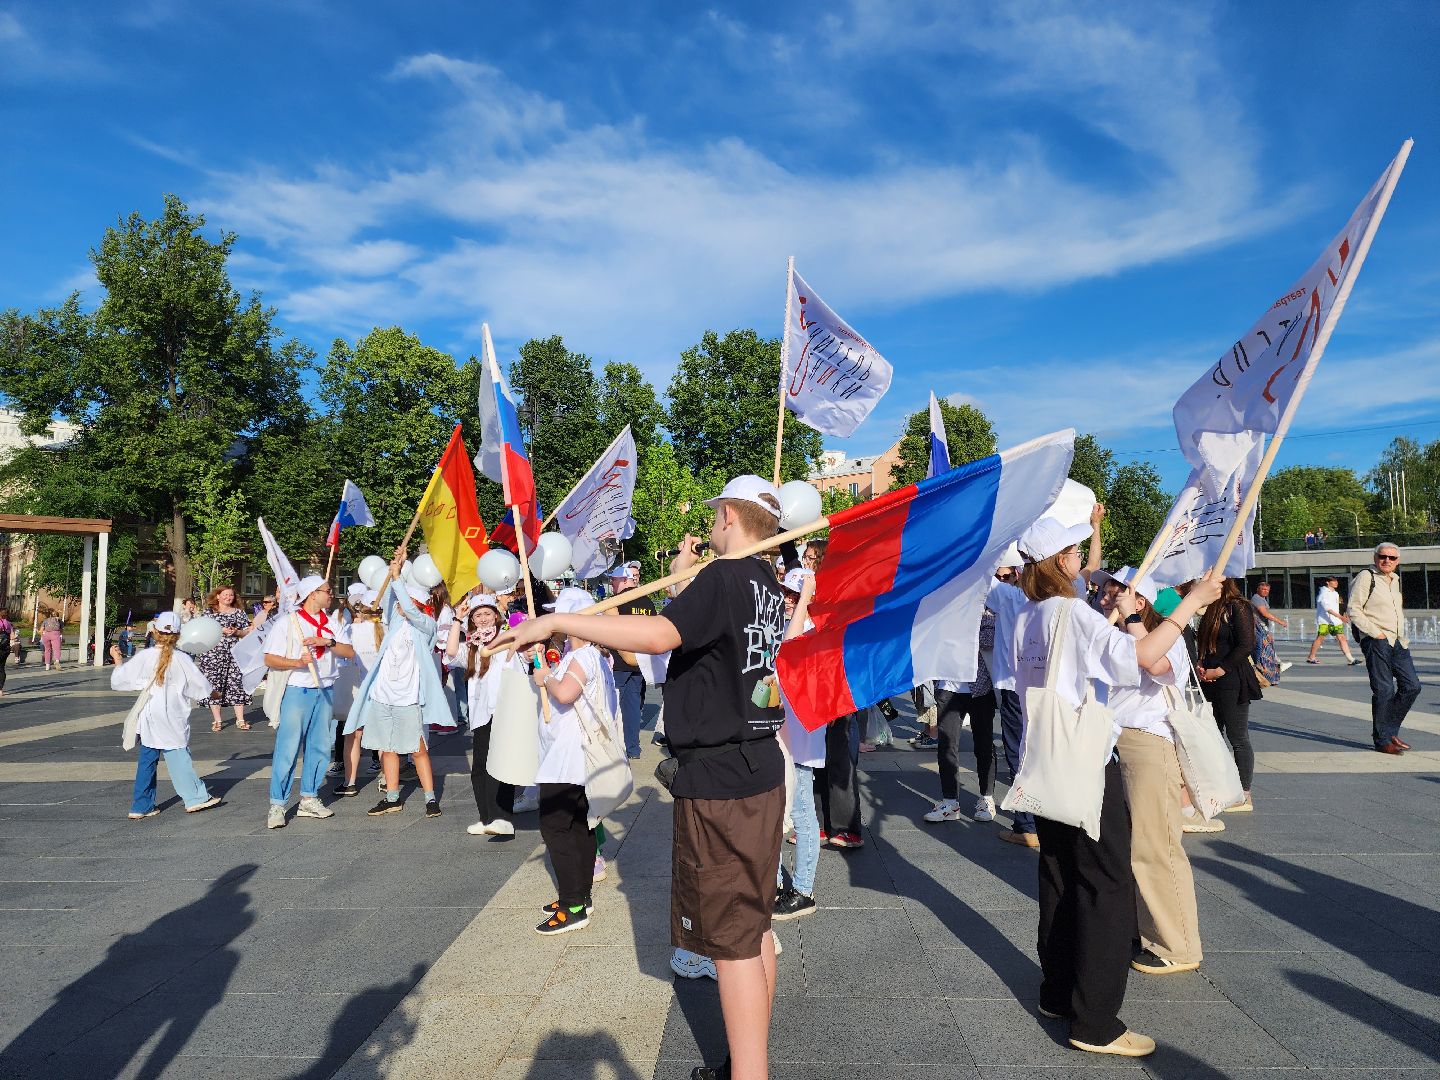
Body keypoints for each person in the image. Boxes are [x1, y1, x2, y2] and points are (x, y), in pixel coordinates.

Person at [494, 474, 789, 1080]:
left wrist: (559, 625)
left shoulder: (726, 577)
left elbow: (661, 633)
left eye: (715, 517)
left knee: (733, 940)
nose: (710, 526)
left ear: (729, 516)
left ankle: (749, 1073)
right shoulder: (766, 583)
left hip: (721, 778)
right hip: (759, 764)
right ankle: (745, 1057)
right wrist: (687, 571)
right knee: (754, 923)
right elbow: (697, 641)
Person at [1006, 516, 1221, 1058]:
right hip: (1085, 763)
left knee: (1058, 874)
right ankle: (1096, 1020)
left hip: (1045, 761)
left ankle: (1057, 992)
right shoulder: (1072, 613)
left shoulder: (1027, 615)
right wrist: (1191, 602)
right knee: (1107, 885)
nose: (1082, 559)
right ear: (1060, 561)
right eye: (1076, 550)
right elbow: (1145, 657)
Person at [1100, 568, 1205, 975]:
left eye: (1116, 591)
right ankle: (1144, 930)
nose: (1107, 596)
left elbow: (1156, 666)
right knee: (1130, 846)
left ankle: (1178, 945)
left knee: (1156, 846)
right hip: (1112, 743)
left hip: (1148, 744)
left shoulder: (1165, 637)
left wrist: (1131, 621)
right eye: (1106, 590)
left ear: (1140, 601)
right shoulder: (1105, 632)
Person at [530, 587, 623, 934]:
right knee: (577, 825)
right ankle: (579, 895)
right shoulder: (589, 655)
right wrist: (542, 664)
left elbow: (565, 693)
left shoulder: (583, 656)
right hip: (570, 755)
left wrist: (545, 678)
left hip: (568, 758)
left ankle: (574, 905)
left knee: (557, 827)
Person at [351, 563, 448, 820]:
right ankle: (392, 797)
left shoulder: (426, 625)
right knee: (388, 748)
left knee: (418, 750)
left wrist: (396, 578)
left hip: (409, 697)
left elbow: (410, 610)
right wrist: (397, 569)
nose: (398, 607)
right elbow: (394, 598)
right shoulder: (394, 623)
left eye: (408, 602)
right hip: (383, 696)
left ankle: (430, 798)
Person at [261, 576, 354, 829]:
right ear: (313, 594)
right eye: (327, 591)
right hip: (298, 691)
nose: (331, 594)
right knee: (288, 748)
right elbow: (269, 658)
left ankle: (309, 798)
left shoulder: (331, 622)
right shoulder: (289, 622)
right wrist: (297, 663)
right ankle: (277, 804)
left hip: (325, 689)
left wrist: (329, 642)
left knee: (321, 746)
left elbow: (349, 652)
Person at [109, 612, 223, 818]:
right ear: (179, 635)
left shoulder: (145, 656)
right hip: (173, 714)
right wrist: (216, 693)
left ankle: (141, 806)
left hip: (150, 714)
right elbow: (201, 686)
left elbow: (120, 681)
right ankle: (195, 797)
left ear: (154, 631)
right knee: (178, 755)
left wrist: (118, 661)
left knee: (147, 760)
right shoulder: (182, 659)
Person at [446, 594, 519, 836]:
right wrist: (457, 619)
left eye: (487, 613)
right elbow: (450, 651)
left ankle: (503, 818)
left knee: (501, 765)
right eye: (478, 615)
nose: (483, 619)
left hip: (503, 710)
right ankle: (486, 817)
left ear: (496, 615)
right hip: (480, 715)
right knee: (480, 767)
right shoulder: (472, 645)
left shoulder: (508, 639)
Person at [774, 569, 821, 920]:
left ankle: (803, 890)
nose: (788, 600)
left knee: (802, 815)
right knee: (775, 812)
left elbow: (789, 652)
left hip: (802, 738)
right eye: (786, 593)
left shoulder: (813, 628)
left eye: (794, 594)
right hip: (778, 733)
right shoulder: (784, 623)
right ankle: (775, 884)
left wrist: (805, 599)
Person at [923, 606, 997, 824]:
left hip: (981, 686)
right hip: (948, 686)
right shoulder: (944, 603)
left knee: (983, 744)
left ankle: (986, 797)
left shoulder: (986, 606)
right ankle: (950, 801)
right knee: (946, 744)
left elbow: (989, 638)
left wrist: (955, 634)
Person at [1348, 543, 1422, 755]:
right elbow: (1353, 609)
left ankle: (1389, 731)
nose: (1387, 561)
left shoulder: (1395, 580)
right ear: (1375, 557)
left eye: (1391, 558)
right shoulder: (1366, 577)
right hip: (1377, 639)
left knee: (1412, 686)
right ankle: (1382, 740)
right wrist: (1375, 633)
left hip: (1397, 640)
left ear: (1397, 561)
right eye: (1383, 557)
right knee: (1384, 690)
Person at [1197, 579, 1263, 812]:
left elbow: (1246, 644)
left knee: (1238, 736)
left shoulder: (1237, 606)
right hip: (1211, 680)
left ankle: (1244, 793)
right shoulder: (1209, 606)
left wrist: (1221, 669)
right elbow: (1205, 644)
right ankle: (1222, 788)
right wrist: (1201, 663)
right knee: (1213, 736)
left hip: (1233, 678)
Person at [195, 585, 270, 732]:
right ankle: (217, 720)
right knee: (214, 686)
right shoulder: (209, 613)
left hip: (233, 654)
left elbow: (247, 632)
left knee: (237, 684)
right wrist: (219, 629)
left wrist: (237, 632)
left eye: (231, 595)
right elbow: (201, 630)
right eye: (225, 595)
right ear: (217, 596)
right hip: (213, 655)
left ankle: (240, 719)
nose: (228, 597)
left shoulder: (239, 613)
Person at [333, 587, 384, 796]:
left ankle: (350, 782)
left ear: (361, 610)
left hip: (358, 689)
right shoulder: (389, 630)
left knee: (353, 736)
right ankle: (387, 780)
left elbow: (342, 659)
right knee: (383, 739)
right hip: (382, 691)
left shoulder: (352, 631)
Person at [605, 562, 655, 759]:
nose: (612, 582)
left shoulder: (614, 603)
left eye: (615, 579)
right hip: (639, 663)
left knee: (612, 708)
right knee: (633, 707)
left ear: (624, 580)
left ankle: (614, 749)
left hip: (617, 663)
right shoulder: (648, 603)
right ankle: (633, 748)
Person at [1305, 575, 1360, 666]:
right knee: (1320, 638)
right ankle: (1311, 657)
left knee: (1342, 638)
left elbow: (1339, 606)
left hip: (1336, 620)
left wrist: (1343, 614)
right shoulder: (1323, 593)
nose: (1336, 583)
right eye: (1333, 581)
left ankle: (1351, 659)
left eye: (1336, 581)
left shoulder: (1335, 593)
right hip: (1325, 621)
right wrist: (1340, 617)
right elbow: (1327, 608)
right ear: (1327, 582)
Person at [1249, 581, 1289, 685]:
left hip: (1262, 629)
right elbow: (1264, 613)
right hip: (1257, 629)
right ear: (1258, 589)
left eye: (1267, 590)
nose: (1265, 591)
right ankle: (1260, 676)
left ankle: (1268, 675)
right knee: (1261, 651)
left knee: (1266, 652)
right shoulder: (1257, 598)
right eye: (1263, 589)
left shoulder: (1262, 599)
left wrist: (1268, 632)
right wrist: (1280, 621)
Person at [0, 609, 14, 698]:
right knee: (1, 667)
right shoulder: (9, 624)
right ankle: (0, 690)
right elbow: (12, 636)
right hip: (5, 649)